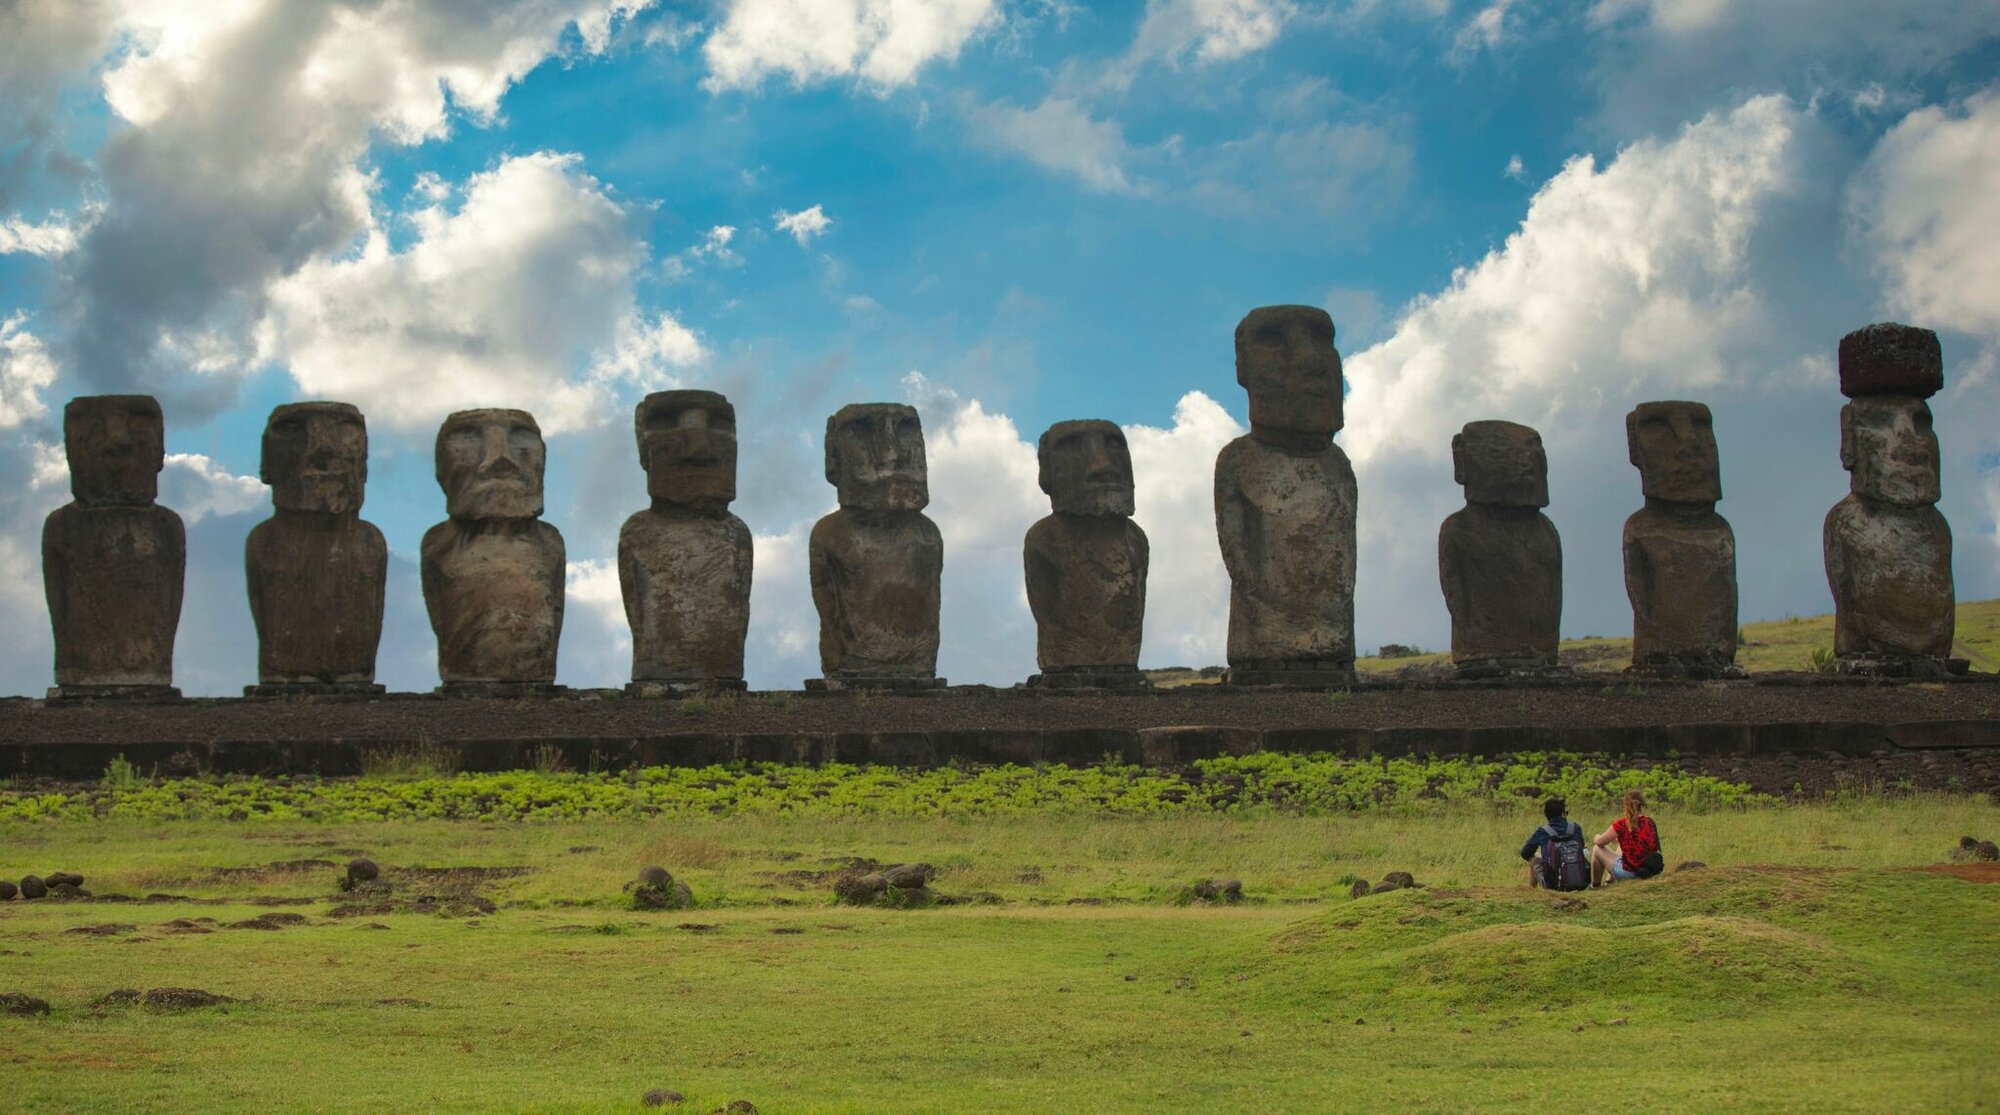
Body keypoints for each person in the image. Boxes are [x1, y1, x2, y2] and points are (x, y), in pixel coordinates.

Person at [1593, 790, 1664, 886]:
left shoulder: (1622, 824)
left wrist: (1597, 836)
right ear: (1642, 805)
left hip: (1630, 873)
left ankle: (1595, 885)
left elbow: (1599, 842)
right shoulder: (1650, 822)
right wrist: (1618, 839)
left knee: (1596, 849)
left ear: (1626, 807)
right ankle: (1609, 881)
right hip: (1649, 870)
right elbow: (1640, 841)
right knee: (1621, 845)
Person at [1520, 797, 1589, 890]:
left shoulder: (1543, 831)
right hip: (1580, 882)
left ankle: (1531, 893)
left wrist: (1545, 857)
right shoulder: (1575, 828)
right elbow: (1582, 847)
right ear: (1563, 814)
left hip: (1553, 885)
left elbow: (1525, 853)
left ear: (1547, 815)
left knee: (1533, 858)